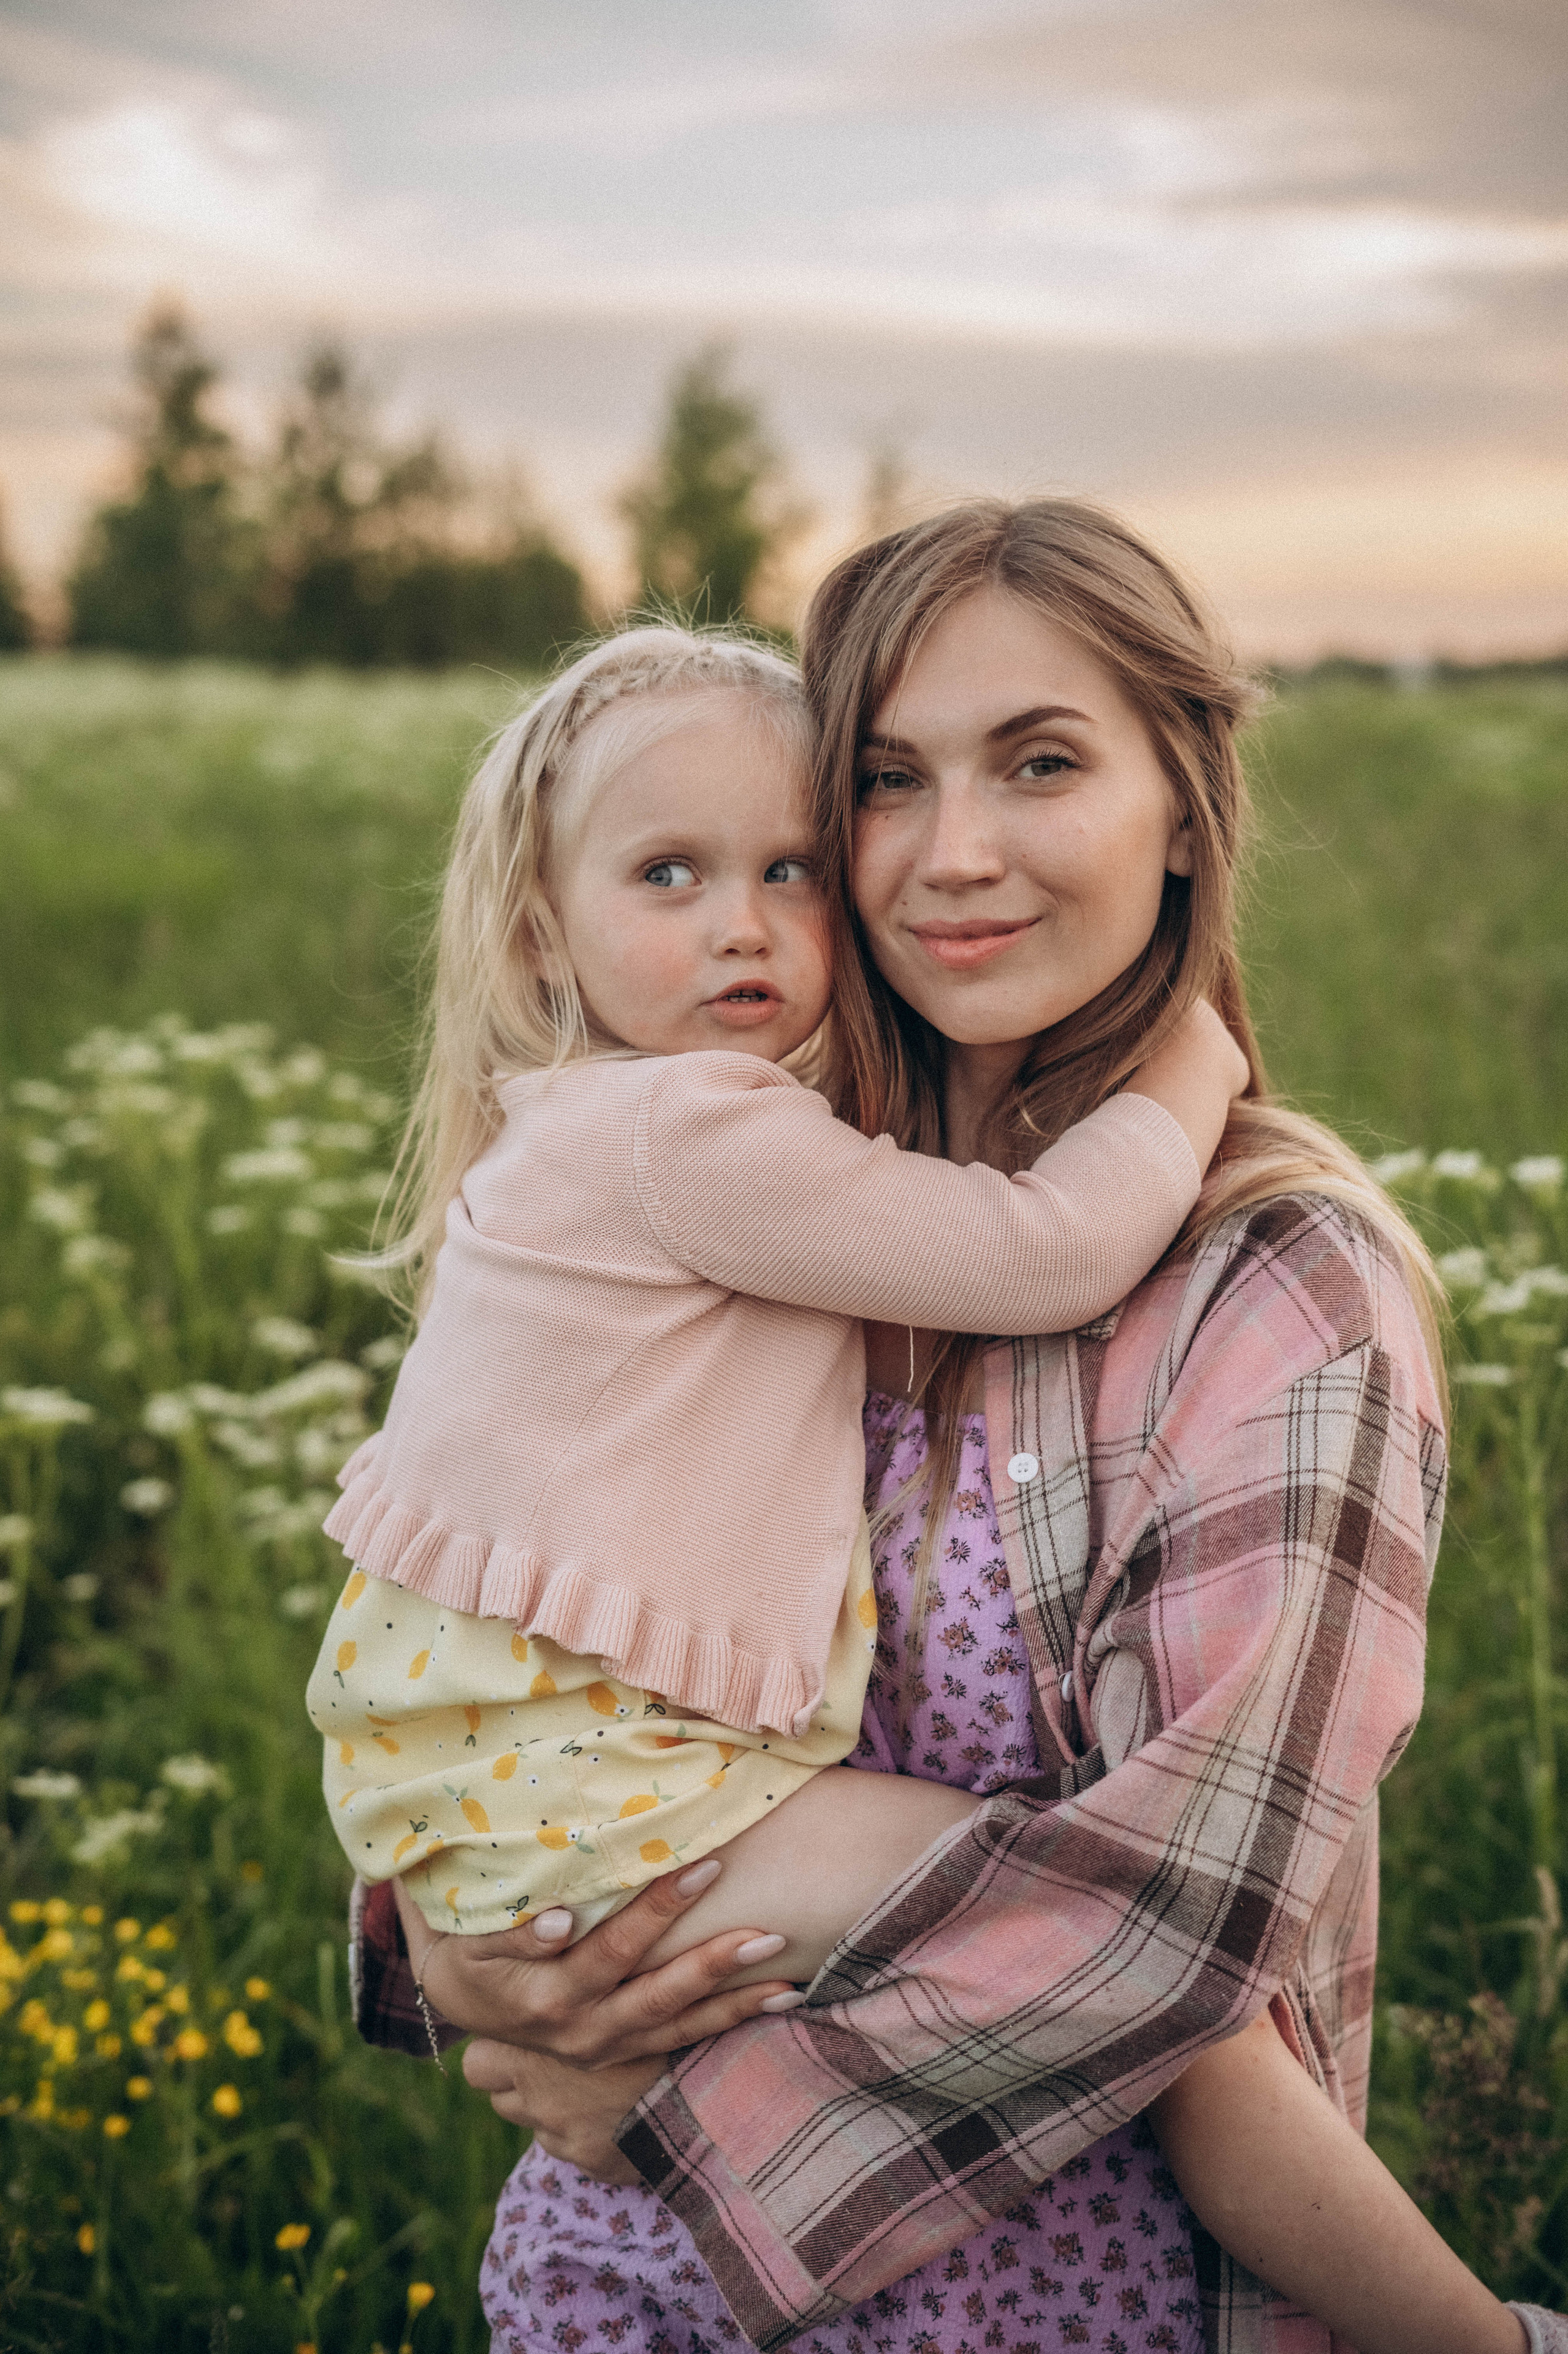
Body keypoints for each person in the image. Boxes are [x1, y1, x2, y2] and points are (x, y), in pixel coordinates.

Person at [350, 520, 1567, 2354]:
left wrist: (681, 2112)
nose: (957, 851)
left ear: (1186, 805)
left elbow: (1177, 1928)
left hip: (1065, 2304)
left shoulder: (1276, 1302)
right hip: (622, 2294)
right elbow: (536, 1645)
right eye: (887, 780)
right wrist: (447, 1962)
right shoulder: (773, 1214)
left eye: (1046, 762)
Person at [306, 623, 1240, 1962]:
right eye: (666, 874)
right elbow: (1044, 1251)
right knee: (1093, 1916)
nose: (738, 925)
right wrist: (1194, 1064)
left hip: (515, 1786)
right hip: (604, 1789)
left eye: (787, 870)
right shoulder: (682, 1131)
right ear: (542, 941)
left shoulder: (582, 1124)